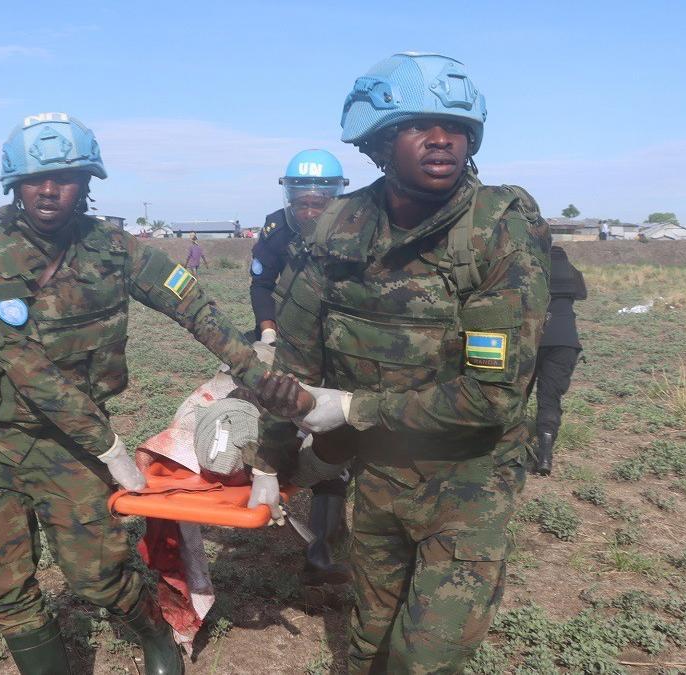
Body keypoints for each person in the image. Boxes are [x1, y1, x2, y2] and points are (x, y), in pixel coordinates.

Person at [253, 53, 551, 672]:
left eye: (456, 126)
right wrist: (275, 459)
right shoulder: (342, 225)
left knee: (426, 659)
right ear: (380, 141)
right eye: (418, 125)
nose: (442, 138)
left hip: (468, 483)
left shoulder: (494, 231)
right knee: (367, 638)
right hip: (380, 476)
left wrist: (355, 408)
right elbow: (298, 360)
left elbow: (492, 396)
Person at [0, 112, 269, 675]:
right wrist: (108, 447)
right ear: (14, 186)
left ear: (89, 183)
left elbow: (190, 302)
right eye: (35, 178)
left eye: (66, 176)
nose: (49, 189)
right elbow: (25, 364)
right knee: (2, 582)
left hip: (68, 446)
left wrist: (255, 368)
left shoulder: (117, 250)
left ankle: (153, 632)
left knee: (98, 576)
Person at [249, 149, 352, 585]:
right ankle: (271, 485)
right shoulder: (276, 228)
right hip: (287, 338)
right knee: (281, 419)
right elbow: (261, 283)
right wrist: (268, 329)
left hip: (338, 340)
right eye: (302, 199)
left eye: (319, 200)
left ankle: (324, 546)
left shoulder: (355, 226)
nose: (309, 208)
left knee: (334, 436)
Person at [533, 245, 586, 475]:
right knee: (549, 399)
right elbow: (582, 295)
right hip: (565, 342)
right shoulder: (572, 273)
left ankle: (507, 449)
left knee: (515, 395)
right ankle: (544, 454)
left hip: (532, 338)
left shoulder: (534, 271)